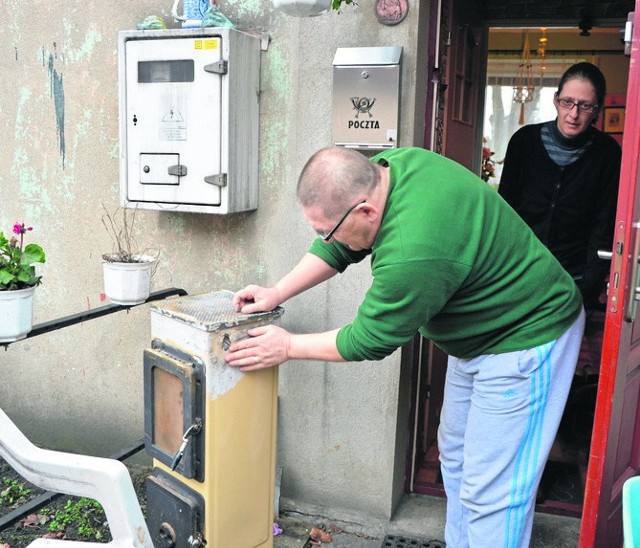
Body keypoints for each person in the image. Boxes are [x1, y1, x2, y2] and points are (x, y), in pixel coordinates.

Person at [224, 146, 585, 548]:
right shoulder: (392, 166)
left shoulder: (414, 250)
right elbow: (340, 245)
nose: (325, 239)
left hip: (526, 337)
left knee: (495, 490)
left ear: (366, 212)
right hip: (478, 337)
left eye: (327, 230)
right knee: (457, 459)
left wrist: (287, 346)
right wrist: (277, 292)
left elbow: (370, 338)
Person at [498, 62, 621, 310]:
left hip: (573, 281)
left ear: (596, 109)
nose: (573, 114)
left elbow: (604, 224)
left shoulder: (607, 153)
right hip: (519, 273)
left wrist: (588, 288)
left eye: (585, 106)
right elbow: (504, 211)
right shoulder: (524, 141)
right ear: (556, 100)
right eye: (567, 102)